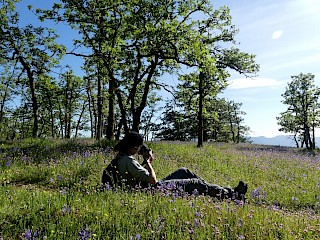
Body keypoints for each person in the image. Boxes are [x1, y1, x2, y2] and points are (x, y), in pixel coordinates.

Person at [102, 131, 248, 201]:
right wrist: (148, 164)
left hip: (146, 187)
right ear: (132, 148)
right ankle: (232, 195)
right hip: (152, 189)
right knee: (196, 183)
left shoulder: (120, 157)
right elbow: (153, 180)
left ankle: (219, 190)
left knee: (184, 171)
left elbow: (135, 176)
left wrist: (147, 158)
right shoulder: (128, 160)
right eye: (137, 148)